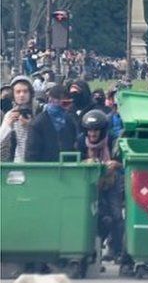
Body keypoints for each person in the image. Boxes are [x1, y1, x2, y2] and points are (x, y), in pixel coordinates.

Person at [78, 110, 124, 262]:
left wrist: (115, 164)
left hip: (112, 181)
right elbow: (73, 162)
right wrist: (86, 163)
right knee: (94, 217)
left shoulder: (113, 140)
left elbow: (123, 162)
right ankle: (92, 250)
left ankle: (118, 251)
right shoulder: (80, 142)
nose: (92, 133)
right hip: (89, 184)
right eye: (89, 130)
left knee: (116, 216)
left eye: (96, 130)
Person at [25, 84, 80, 162]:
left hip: (67, 170)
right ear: (51, 101)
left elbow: (74, 147)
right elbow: (31, 155)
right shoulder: (38, 124)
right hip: (45, 170)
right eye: (65, 104)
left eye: (69, 104)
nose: (67, 108)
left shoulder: (70, 121)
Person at [0, 75, 35, 162]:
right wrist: (8, 126)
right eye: (18, 92)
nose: (21, 95)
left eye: (25, 91)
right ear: (13, 95)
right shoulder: (10, 114)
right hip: (17, 162)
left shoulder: (39, 111)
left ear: (30, 93)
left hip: (37, 161)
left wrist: (31, 125)